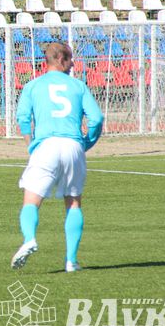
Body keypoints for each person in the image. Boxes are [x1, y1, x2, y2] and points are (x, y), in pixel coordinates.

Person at [10, 42, 104, 273]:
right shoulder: (78, 86)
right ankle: (71, 261)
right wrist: (86, 143)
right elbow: (97, 119)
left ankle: (30, 238)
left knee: (31, 200)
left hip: (46, 145)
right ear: (61, 59)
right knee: (73, 202)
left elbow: (22, 117)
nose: (73, 63)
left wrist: (30, 144)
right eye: (70, 59)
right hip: (72, 145)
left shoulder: (32, 86)